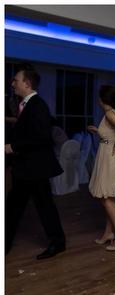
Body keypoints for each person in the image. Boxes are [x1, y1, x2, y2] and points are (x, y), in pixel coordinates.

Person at [5, 63, 66, 260]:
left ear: (27, 83)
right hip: (28, 167)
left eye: (16, 80)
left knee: (40, 206)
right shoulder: (28, 105)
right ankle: (6, 243)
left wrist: (13, 147)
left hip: (35, 168)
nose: (12, 83)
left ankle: (58, 242)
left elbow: (41, 137)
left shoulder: (38, 105)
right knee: (17, 207)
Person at [87, 85, 115, 251]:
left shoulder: (109, 113)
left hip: (112, 157)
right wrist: (98, 131)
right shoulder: (111, 113)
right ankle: (108, 233)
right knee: (108, 197)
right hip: (108, 154)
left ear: (101, 99)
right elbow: (112, 133)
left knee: (106, 198)